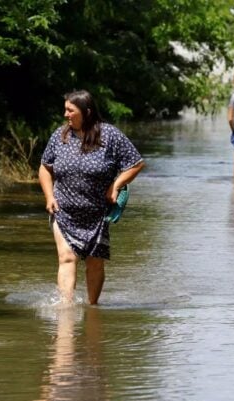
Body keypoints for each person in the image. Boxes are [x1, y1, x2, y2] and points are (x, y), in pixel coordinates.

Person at [39, 90, 145, 305]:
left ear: (86, 112)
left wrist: (116, 185)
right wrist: (49, 196)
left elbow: (136, 163)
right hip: (63, 211)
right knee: (67, 258)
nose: (65, 114)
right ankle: (66, 310)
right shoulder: (60, 136)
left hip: (97, 213)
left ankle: (92, 308)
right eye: (65, 109)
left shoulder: (110, 136)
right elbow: (44, 167)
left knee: (95, 263)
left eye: (71, 110)